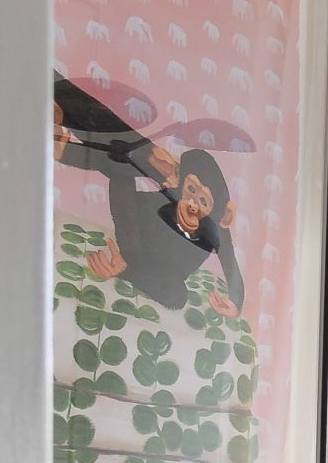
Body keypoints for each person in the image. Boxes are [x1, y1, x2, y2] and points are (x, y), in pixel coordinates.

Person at [52, 72, 247, 316]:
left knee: (177, 295)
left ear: (223, 215)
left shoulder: (215, 230)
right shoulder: (173, 192)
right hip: (140, 217)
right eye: (191, 190)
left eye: (203, 201)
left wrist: (236, 304)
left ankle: (64, 136)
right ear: (179, 184)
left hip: (136, 253)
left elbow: (231, 268)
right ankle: (61, 102)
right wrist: (154, 159)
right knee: (138, 155)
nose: (192, 204)